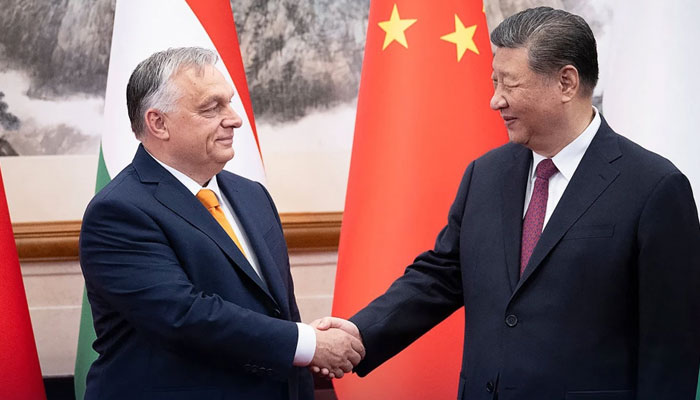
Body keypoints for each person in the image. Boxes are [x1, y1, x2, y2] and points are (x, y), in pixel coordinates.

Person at [313, 7, 700, 399]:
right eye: (494, 81)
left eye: (509, 84)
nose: (495, 100)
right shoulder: (486, 174)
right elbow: (442, 275)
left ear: (566, 82)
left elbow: (670, 347)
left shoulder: (654, 188)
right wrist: (360, 332)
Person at [79, 47, 364, 400]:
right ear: (158, 123)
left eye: (229, 103)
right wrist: (308, 343)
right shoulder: (119, 211)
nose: (234, 119)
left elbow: (275, 310)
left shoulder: (251, 195)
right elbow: (184, 316)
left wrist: (308, 346)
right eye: (212, 108)